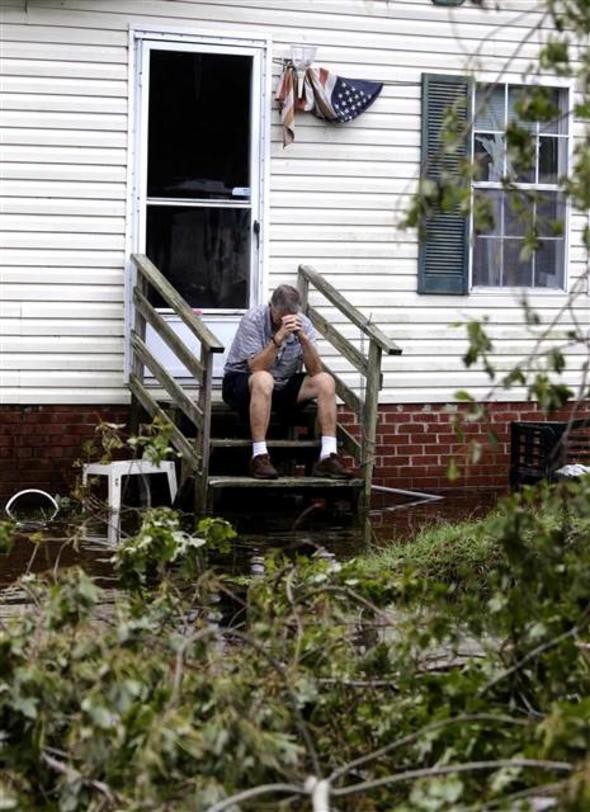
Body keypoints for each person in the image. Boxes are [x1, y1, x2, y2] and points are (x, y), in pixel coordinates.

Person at [222, 284, 354, 480]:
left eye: (289, 315)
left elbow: (315, 371)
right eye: (280, 315)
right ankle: (259, 456)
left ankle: (328, 457)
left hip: (281, 385)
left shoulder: (304, 324)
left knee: (326, 381)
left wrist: (303, 339)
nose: (284, 320)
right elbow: (256, 367)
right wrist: (279, 337)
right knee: (263, 378)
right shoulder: (253, 319)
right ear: (271, 307)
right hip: (242, 384)